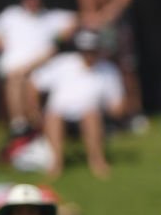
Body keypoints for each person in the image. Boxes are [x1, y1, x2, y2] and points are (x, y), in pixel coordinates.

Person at [73, 0, 144, 126]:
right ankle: (106, 115)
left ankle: (133, 112)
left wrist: (109, 14)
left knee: (127, 66)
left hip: (117, 18)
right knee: (98, 66)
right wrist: (92, 17)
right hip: (93, 20)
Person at [30, 29, 125, 179]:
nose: (89, 55)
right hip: (59, 114)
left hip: (92, 115)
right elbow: (35, 83)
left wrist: (115, 111)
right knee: (53, 115)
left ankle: (97, 161)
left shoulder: (108, 70)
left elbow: (117, 105)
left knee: (90, 114)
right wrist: (35, 110)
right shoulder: (63, 63)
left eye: (92, 51)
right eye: (86, 51)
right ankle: (56, 163)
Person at [0, 0, 77, 134]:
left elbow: (76, 20)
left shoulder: (51, 17)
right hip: (14, 67)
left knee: (27, 79)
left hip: (42, 65)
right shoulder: (11, 15)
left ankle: (32, 125)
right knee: (17, 78)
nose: (32, 2)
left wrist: (59, 38)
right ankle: (21, 124)